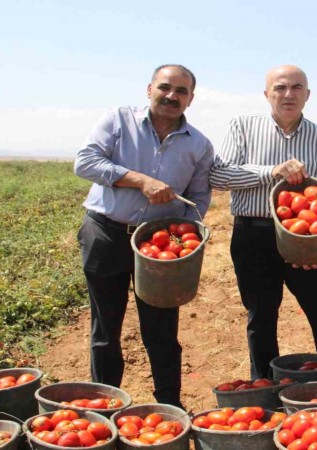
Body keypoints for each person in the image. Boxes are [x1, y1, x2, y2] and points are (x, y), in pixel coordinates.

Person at [74, 64, 213, 408]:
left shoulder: (199, 145)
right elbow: (85, 162)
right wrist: (138, 180)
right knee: (105, 329)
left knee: (162, 329)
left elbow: (198, 200)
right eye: (165, 87)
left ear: (191, 99)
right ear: (149, 89)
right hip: (106, 233)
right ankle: (105, 403)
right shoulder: (117, 121)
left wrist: (181, 242)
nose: (172, 96)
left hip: (159, 245)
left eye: (181, 91)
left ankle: (169, 405)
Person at [210, 64, 317, 380]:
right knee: (261, 316)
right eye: (280, 87)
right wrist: (271, 171)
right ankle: (265, 386)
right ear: (266, 93)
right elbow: (219, 176)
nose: (288, 94)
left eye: (297, 88)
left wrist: (316, 246)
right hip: (253, 234)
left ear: (308, 95)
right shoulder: (242, 127)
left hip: (303, 235)